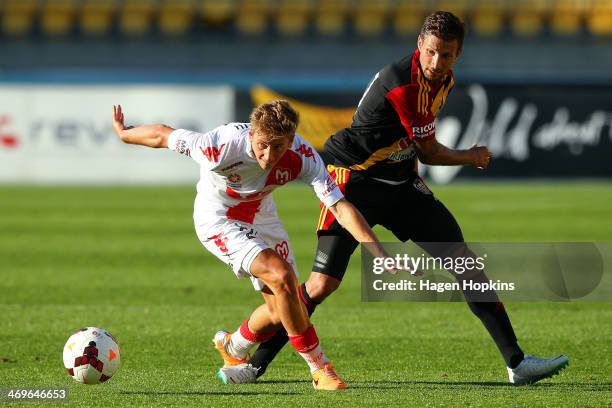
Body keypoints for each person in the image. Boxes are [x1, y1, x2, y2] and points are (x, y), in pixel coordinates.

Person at [222, 11, 569, 386]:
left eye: (447, 55)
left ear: (458, 54)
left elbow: (410, 147)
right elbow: (430, 152)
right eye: (432, 52)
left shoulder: (443, 80)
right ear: (419, 44)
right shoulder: (402, 85)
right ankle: (252, 365)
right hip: (352, 179)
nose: (437, 63)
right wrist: (471, 156)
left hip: (401, 183)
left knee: (467, 264)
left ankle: (516, 363)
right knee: (322, 285)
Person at [111, 100, 397, 391]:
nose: (269, 155)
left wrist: (380, 252)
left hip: (262, 215)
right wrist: (124, 134)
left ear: (291, 139)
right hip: (218, 218)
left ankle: (232, 346)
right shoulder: (220, 146)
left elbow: (339, 207)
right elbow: (162, 135)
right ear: (251, 134)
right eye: (263, 145)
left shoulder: (303, 154)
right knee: (282, 276)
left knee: (282, 310)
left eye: (279, 146)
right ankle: (320, 369)